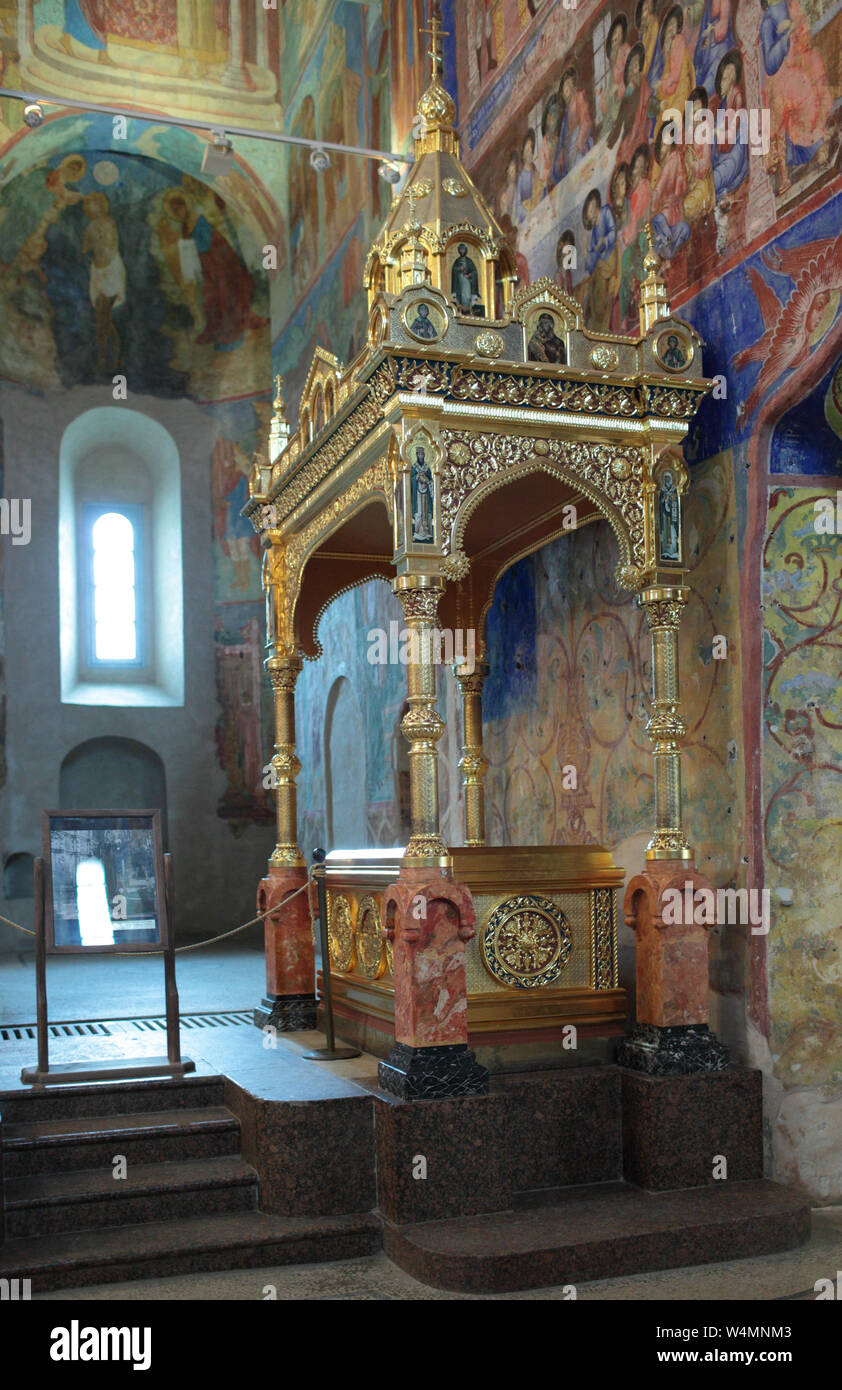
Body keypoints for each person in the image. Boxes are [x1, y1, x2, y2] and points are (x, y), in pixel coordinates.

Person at [760, 0, 832, 192]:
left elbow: (804, 26)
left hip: (802, 57)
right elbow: (770, 63)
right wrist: (784, 37)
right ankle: (813, 145)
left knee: (816, 67)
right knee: (799, 88)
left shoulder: (790, 4)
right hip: (783, 76)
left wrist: (797, 30)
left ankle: (819, 136)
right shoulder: (767, 22)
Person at [82, 192, 125, 374]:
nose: (92, 209)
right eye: (89, 206)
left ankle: (105, 359)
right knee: (103, 320)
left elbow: (107, 244)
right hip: (97, 271)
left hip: (111, 271)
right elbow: (85, 248)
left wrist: (96, 237)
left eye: (95, 205)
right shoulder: (91, 226)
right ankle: (114, 356)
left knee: (103, 319)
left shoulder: (110, 224)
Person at [553, 66, 594, 181]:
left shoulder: (579, 97)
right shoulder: (566, 115)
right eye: (565, 86)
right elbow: (564, 140)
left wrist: (579, 144)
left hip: (581, 146)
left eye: (570, 84)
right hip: (571, 151)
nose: (567, 89)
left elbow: (586, 121)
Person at [451, 243, 482, 315]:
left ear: (466, 250)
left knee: (467, 296)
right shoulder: (457, 261)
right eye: (460, 249)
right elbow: (454, 270)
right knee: (461, 295)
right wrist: (459, 269)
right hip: (459, 281)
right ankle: (461, 308)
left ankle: (468, 308)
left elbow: (474, 271)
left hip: (467, 280)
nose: (462, 251)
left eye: (463, 249)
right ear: (459, 251)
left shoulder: (469, 261)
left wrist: (470, 275)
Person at [411, 446, 434, 542]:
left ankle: (428, 532)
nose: (421, 456)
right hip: (418, 493)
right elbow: (411, 479)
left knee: (427, 512)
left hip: (426, 493)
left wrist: (427, 480)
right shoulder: (414, 467)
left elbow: (431, 479)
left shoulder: (427, 467)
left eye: (422, 454)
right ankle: (418, 532)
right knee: (419, 512)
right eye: (419, 454)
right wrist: (417, 476)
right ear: (417, 455)